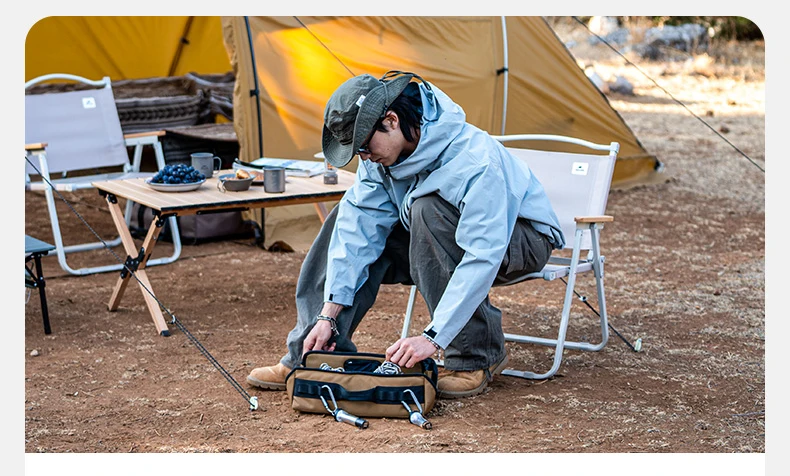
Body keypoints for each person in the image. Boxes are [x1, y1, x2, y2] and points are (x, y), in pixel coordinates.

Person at [247, 70, 565, 398]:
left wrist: (432, 338)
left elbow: (482, 255)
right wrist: (328, 313)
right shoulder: (378, 157)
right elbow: (356, 234)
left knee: (428, 208)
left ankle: (474, 357)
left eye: (364, 146)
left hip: (520, 240)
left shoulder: (474, 161)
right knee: (344, 219)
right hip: (433, 236)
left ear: (392, 120)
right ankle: (312, 353)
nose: (364, 157)